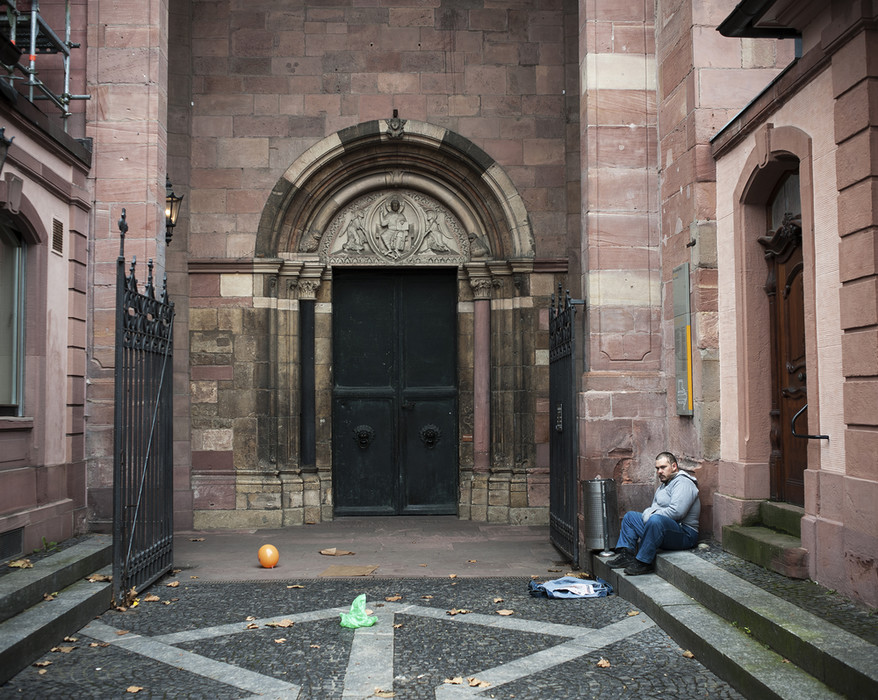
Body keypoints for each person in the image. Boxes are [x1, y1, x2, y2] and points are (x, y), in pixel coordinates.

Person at [606, 452, 700, 575]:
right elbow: (653, 509)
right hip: (663, 528)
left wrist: (651, 515)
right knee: (630, 517)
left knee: (655, 520)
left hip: (685, 534)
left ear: (674, 466)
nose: (659, 471)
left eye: (663, 467)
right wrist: (650, 515)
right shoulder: (663, 485)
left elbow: (677, 512)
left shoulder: (683, 483)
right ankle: (627, 555)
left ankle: (644, 563)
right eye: (657, 468)